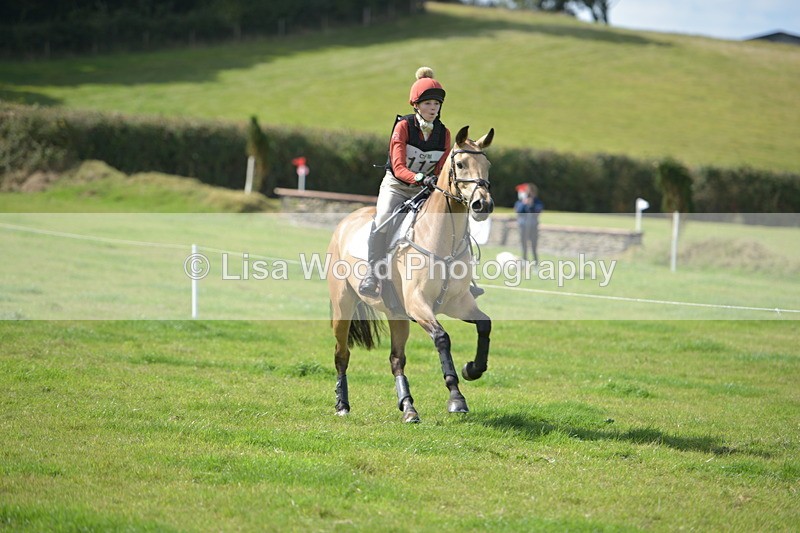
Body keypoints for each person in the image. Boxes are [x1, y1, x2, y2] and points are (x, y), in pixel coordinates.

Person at [359, 67, 452, 298]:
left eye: (437, 105)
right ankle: (372, 273)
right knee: (382, 219)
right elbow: (399, 167)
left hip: (424, 190)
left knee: (446, 221)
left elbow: (441, 167)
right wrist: (420, 177)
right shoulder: (403, 126)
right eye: (428, 104)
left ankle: (457, 279)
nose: (433, 109)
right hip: (397, 186)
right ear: (416, 105)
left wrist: (433, 182)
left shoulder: (444, 133)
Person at [514, 183, 544, 264]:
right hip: (523, 226)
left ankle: (535, 263)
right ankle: (524, 262)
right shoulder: (521, 202)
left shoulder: (537, 202)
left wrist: (531, 205)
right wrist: (524, 204)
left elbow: (538, 211)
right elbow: (518, 211)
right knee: (523, 246)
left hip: (533, 226)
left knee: (534, 246)